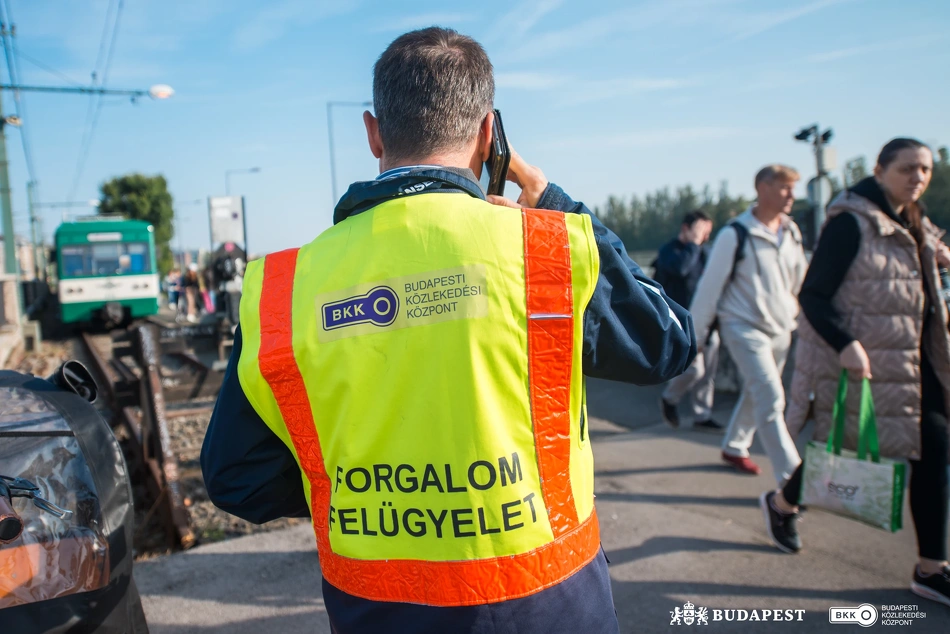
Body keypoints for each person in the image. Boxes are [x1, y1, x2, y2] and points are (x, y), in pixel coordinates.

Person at [201, 27, 695, 634]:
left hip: (379, 615)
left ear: (373, 133)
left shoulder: (283, 287)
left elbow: (236, 478)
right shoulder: (545, 252)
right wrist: (549, 198)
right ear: (490, 135)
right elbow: (668, 342)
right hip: (550, 609)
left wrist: (368, 499)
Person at [780, 139, 950, 605]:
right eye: (907, 168)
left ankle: (931, 567)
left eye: (926, 169)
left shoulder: (915, 222)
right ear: (879, 170)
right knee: (838, 448)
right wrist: (846, 344)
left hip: (921, 361)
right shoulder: (851, 224)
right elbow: (813, 295)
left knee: (934, 450)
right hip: (870, 365)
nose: (918, 177)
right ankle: (782, 503)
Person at [689, 165, 807, 478]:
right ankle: (792, 482)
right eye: (785, 188)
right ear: (762, 188)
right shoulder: (735, 234)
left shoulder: (791, 232)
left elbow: (800, 282)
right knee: (770, 396)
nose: (792, 195)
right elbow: (709, 290)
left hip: (781, 328)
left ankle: (735, 445)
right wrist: (693, 338)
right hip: (743, 327)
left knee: (760, 391)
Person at [656, 210, 723, 431]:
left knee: (708, 373)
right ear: (686, 228)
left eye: (707, 233)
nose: (704, 237)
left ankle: (702, 415)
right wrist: (693, 244)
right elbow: (681, 269)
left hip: (707, 321)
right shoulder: (669, 251)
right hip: (682, 322)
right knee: (695, 370)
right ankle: (670, 398)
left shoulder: (705, 253)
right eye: (701, 231)